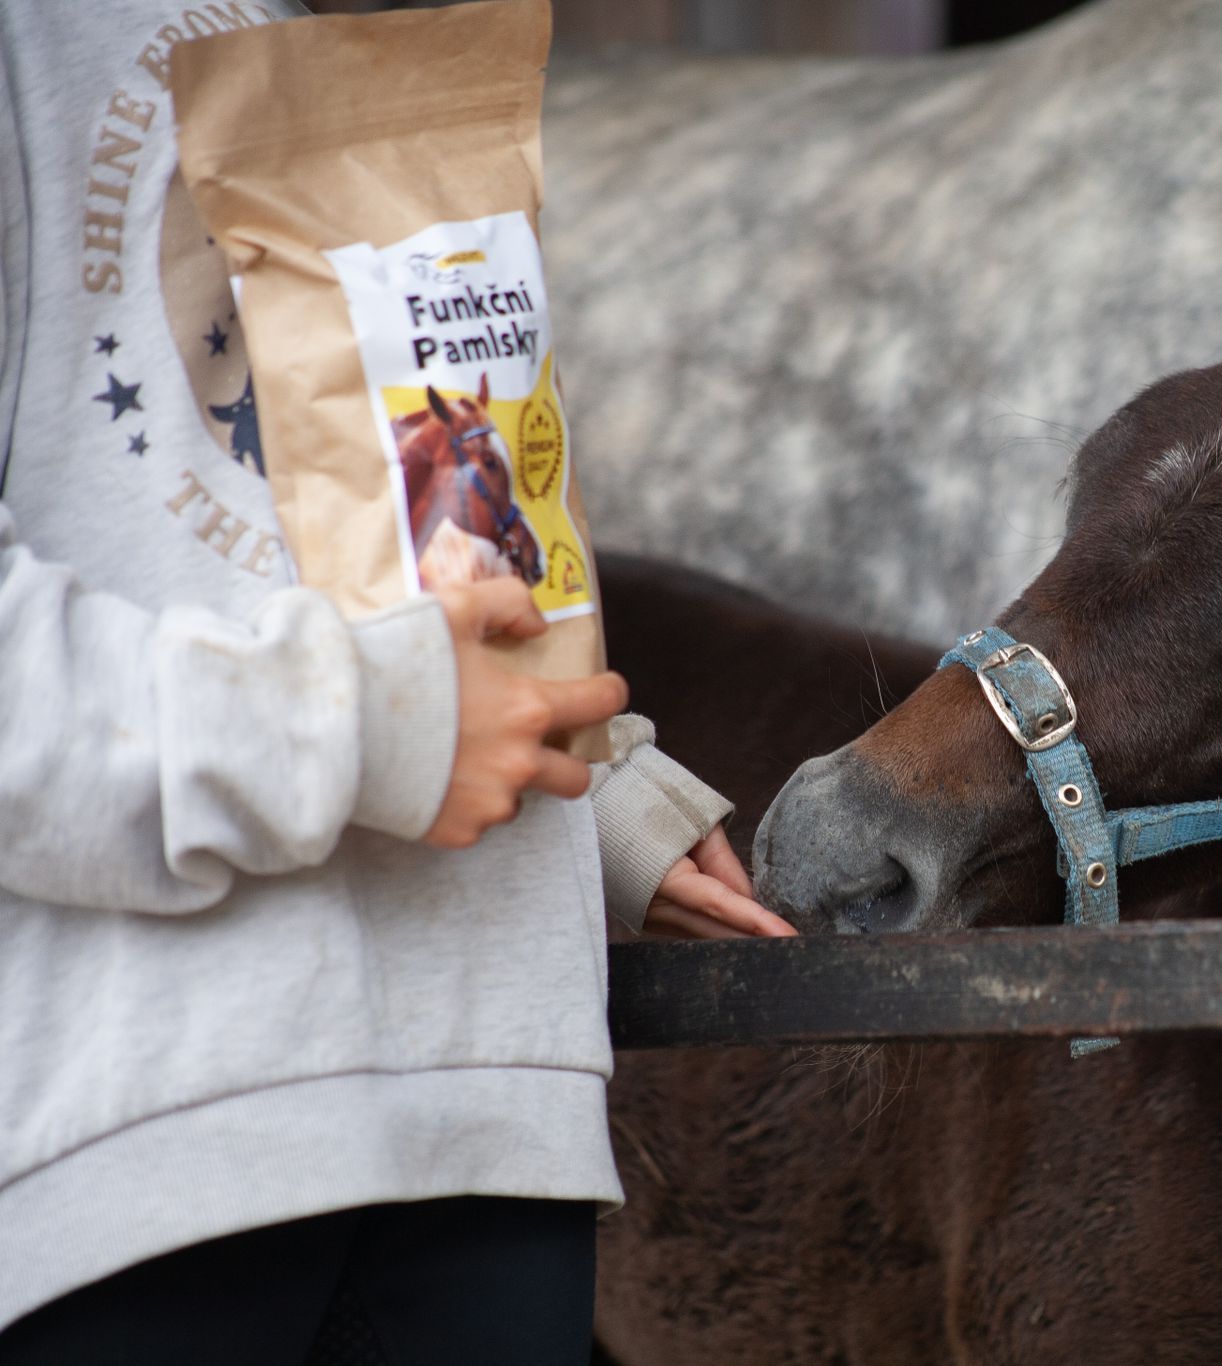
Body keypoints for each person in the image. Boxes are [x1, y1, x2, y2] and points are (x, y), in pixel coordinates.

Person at [0, 2, 794, 1359]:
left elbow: (388, 519)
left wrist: (576, 775)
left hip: (496, 1115)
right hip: (145, 1133)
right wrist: (370, 731)